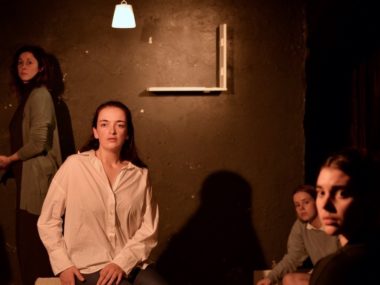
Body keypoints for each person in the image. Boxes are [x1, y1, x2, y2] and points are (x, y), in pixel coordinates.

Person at [37, 101, 167, 285]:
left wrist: (121, 263)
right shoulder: (74, 166)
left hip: (130, 264)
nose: (112, 131)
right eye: (104, 124)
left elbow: (148, 229)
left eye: (119, 125)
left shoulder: (140, 175)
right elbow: (48, 221)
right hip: (87, 266)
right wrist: (63, 265)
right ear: (96, 132)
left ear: (128, 133)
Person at [0, 45, 62, 284]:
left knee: (36, 246)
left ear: (41, 67)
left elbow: (39, 142)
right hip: (28, 181)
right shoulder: (30, 96)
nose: (23, 67)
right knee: (30, 244)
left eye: (29, 62)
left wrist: (10, 159)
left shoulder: (40, 95)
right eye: (20, 63)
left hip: (37, 184)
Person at [310, 148, 380, 285]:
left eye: (342, 193)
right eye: (321, 193)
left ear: (367, 197)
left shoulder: (336, 268)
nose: (325, 205)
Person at [257, 185, 340, 285]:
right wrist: (270, 278)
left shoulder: (333, 222)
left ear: (316, 202)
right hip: (321, 276)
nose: (301, 208)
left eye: (306, 202)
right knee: (289, 279)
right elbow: (293, 257)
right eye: (297, 205)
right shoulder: (300, 226)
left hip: (341, 275)